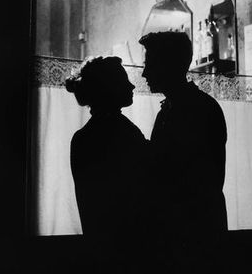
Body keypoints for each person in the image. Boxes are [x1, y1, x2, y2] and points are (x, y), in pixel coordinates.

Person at [139, 31, 228, 241]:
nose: (144, 73)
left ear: (168, 65)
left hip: (193, 233)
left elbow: (190, 180)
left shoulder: (198, 110)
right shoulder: (173, 109)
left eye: (150, 63)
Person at [66, 56, 148, 239]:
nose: (132, 86)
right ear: (109, 88)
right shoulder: (121, 131)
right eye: (124, 81)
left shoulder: (82, 137)